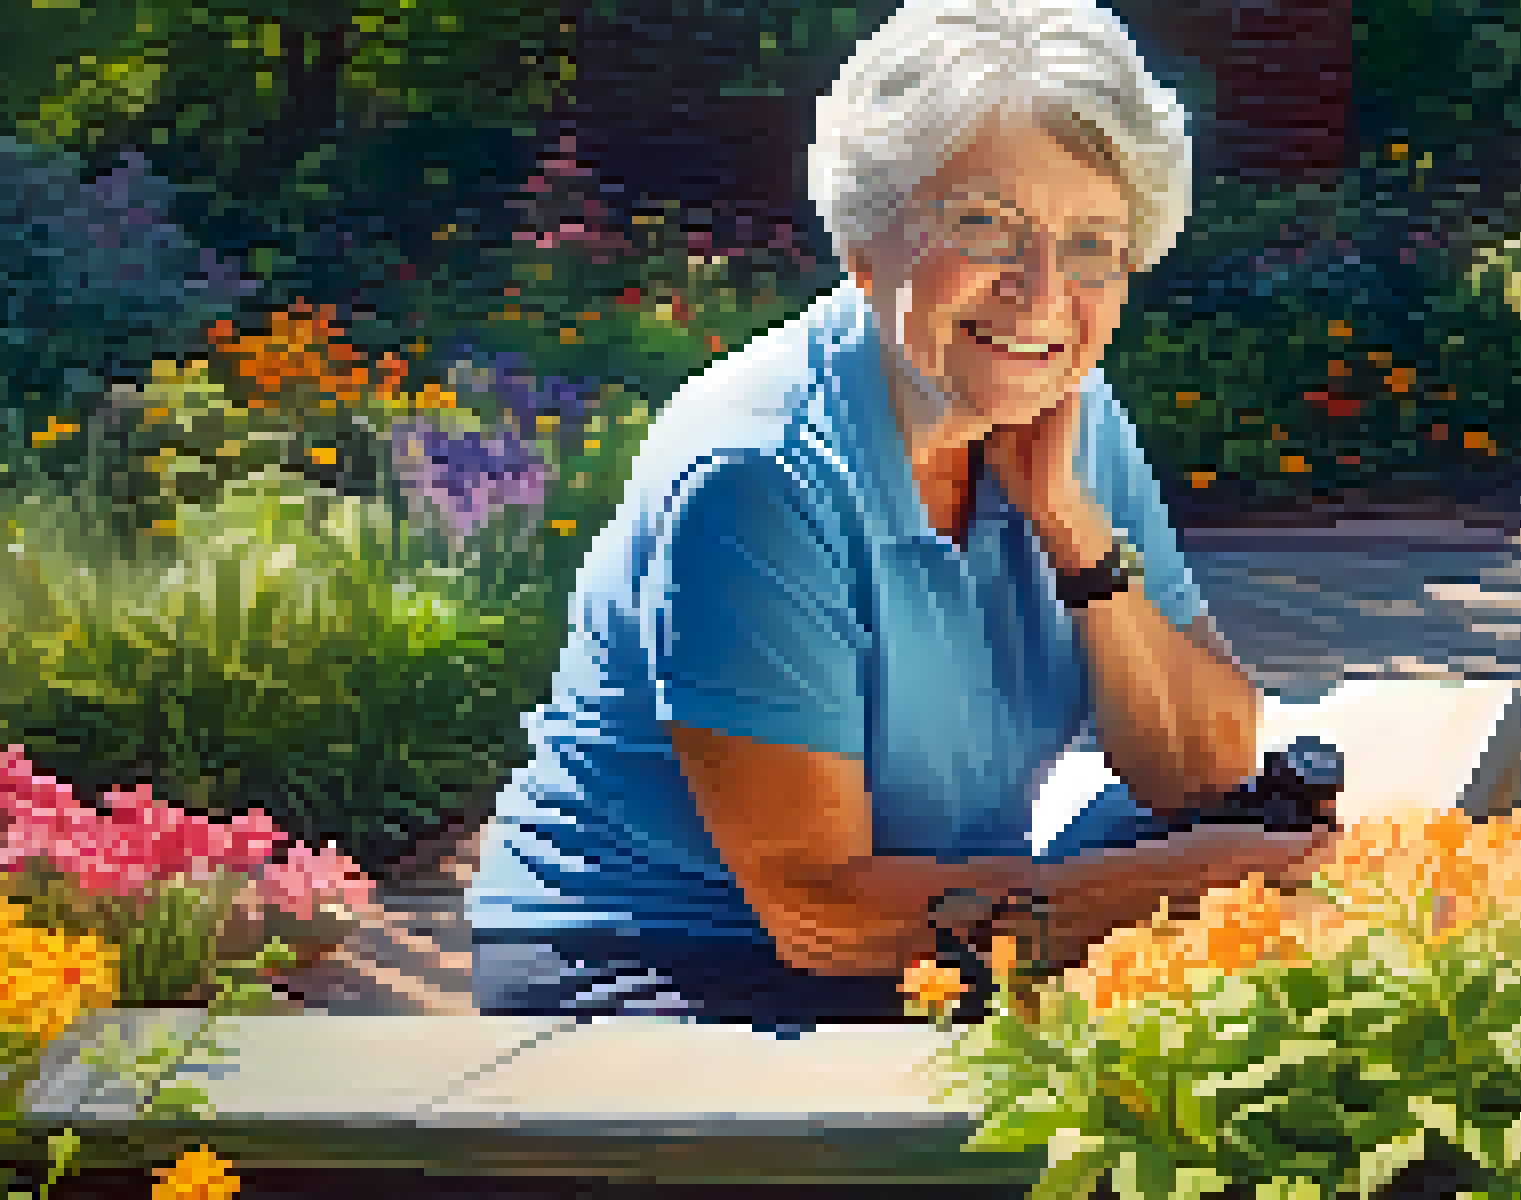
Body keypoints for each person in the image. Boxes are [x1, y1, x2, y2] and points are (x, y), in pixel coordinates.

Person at [466, 0, 1338, 1033]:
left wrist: (1075, 533)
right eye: (985, 224)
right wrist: (1177, 887)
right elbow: (819, 910)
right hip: (670, 967)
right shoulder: (759, 475)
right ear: (866, 240)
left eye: (1093, 243)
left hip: (936, 912)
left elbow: (1203, 765)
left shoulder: (1063, 406)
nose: (1042, 293)